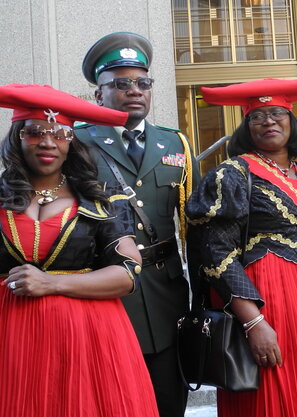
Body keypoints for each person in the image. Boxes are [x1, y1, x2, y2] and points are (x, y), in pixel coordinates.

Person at [0, 83, 158, 416]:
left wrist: (51, 284)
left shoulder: (99, 198)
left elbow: (128, 273)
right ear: (17, 138)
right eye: (35, 132)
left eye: (60, 135)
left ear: (72, 143)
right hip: (3, 339)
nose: (47, 142)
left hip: (89, 339)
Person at [186, 78, 297, 417]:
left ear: (292, 120)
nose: (268, 121)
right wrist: (253, 322)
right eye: (258, 116)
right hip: (270, 304)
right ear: (245, 127)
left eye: (276, 113)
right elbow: (214, 253)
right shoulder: (233, 174)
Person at [74, 32, 199, 417]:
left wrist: (203, 295)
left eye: (143, 83)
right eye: (121, 83)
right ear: (99, 94)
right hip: (107, 289)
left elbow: (190, 226)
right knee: (114, 398)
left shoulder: (174, 143)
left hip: (166, 290)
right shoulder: (77, 143)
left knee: (168, 399)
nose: (135, 90)